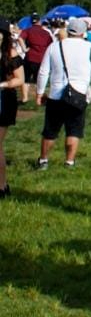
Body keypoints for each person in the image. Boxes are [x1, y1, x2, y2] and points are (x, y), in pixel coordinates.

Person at [36, 18, 91, 169]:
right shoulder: (90, 48)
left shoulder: (55, 47)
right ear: (83, 33)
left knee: (50, 130)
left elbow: (43, 72)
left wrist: (40, 93)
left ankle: (43, 160)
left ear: (68, 31)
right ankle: (69, 161)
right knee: (74, 129)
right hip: (79, 93)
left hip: (56, 93)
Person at [0, 19, 26, 197]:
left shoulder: (11, 53)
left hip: (4, 99)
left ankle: (2, 185)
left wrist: (2, 84)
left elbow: (20, 79)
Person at [19, 12, 52, 103]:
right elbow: (51, 45)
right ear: (39, 21)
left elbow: (20, 38)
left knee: (26, 79)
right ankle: (38, 99)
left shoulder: (27, 30)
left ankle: (25, 98)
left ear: (31, 21)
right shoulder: (46, 32)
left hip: (29, 57)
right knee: (40, 80)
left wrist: (24, 49)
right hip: (42, 59)